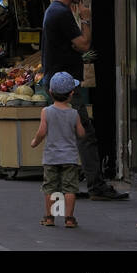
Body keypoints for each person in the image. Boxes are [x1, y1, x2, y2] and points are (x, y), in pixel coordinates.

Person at [40, 0, 127, 200]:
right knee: (84, 134)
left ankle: (63, 185)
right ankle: (95, 186)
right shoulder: (61, 13)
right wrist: (86, 20)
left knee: (66, 135)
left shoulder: (54, 9)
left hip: (57, 79)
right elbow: (84, 45)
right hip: (65, 82)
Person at [31, 71, 86, 228]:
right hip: (69, 158)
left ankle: (50, 217)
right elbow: (81, 133)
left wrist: (35, 142)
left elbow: (42, 132)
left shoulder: (46, 112)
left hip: (51, 158)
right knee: (69, 188)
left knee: (51, 188)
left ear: (50, 93)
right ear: (71, 94)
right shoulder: (74, 113)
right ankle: (69, 218)